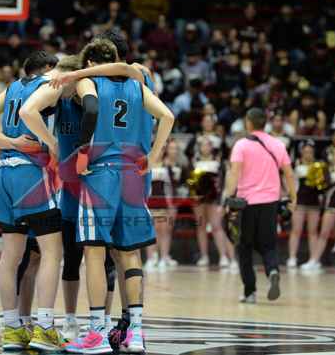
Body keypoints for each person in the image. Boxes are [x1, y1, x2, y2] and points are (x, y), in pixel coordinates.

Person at [64, 38, 174, 354]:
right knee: (130, 253)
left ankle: (97, 332)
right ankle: (135, 332)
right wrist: (154, 156)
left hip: (101, 173)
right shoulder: (138, 83)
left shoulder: (89, 81)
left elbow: (91, 109)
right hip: (133, 175)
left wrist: (82, 152)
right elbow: (167, 116)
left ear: (91, 62)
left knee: (94, 253)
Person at [0, 50, 64, 351]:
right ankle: (45, 328)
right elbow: (29, 114)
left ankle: (12, 328)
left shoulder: (12, 88)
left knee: (10, 255)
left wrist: (8, 143)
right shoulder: (47, 86)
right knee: (52, 251)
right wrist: (51, 143)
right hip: (31, 173)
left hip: (4, 173)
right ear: (48, 68)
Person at [223, 108, 296, 304]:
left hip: (246, 203)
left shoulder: (241, 145)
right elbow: (289, 174)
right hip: (270, 202)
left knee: (244, 247)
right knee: (268, 244)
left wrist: (228, 197)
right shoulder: (278, 144)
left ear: (248, 122)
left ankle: (250, 293)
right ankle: (272, 271)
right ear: (266, 123)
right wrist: (293, 198)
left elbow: (234, 173)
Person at [301, 146, 335, 272]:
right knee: (323, 233)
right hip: (331, 205)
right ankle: (314, 260)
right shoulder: (327, 170)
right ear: (331, 157)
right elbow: (325, 188)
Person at [191, 136, 237, 269]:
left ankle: (223, 256)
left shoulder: (219, 163)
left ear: (212, 147)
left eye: (208, 145)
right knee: (201, 227)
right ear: (199, 147)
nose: (205, 147)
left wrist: (222, 200)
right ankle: (204, 256)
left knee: (217, 227)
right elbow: (191, 181)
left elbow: (223, 183)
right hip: (199, 199)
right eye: (202, 145)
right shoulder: (194, 162)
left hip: (214, 199)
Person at [145, 139, 184, 270]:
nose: (160, 151)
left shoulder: (167, 167)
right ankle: (151, 258)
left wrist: (172, 205)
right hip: (149, 203)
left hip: (164, 203)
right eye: (157, 148)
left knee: (165, 231)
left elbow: (171, 188)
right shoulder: (146, 165)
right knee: (151, 231)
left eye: (162, 149)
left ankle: (164, 257)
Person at [286, 141, 322, 268]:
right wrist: (292, 199)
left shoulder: (319, 166)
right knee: (296, 230)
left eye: (310, 152)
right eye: (305, 152)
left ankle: (314, 259)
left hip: (314, 203)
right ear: (301, 152)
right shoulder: (296, 165)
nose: (308, 154)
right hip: (300, 202)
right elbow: (290, 183)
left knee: (313, 232)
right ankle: (292, 257)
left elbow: (322, 185)